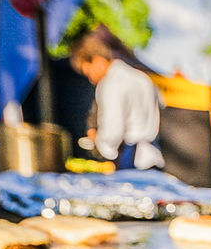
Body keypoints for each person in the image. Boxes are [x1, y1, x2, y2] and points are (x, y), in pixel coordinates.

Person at [70, 34, 165, 171]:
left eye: (88, 72)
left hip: (131, 158)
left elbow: (113, 129)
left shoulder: (111, 83)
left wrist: (98, 143)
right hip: (154, 158)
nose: (91, 79)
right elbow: (161, 106)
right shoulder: (142, 78)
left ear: (97, 60)